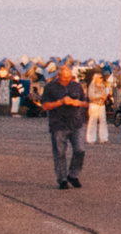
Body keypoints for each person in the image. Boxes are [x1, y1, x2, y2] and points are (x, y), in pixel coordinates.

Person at [37, 60, 90, 188]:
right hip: (58, 124)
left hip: (76, 123)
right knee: (60, 153)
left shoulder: (76, 86)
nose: (67, 80)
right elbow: (44, 106)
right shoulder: (50, 87)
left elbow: (85, 102)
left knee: (80, 150)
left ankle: (73, 175)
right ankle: (62, 179)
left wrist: (77, 103)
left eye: (69, 77)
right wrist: (60, 102)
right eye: (64, 78)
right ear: (58, 76)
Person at [85, 67, 111, 144]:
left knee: (103, 121)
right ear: (96, 78)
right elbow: (91, 96)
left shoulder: (103, 85)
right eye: (100, 78)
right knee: (93, 121)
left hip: (101, 105)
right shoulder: (92, 85)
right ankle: (91, 138)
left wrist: (105, 97)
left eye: (102, 77)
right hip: (94, 105)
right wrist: (100, 96)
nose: (101, 79)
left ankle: (104, 138)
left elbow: (105, 93)